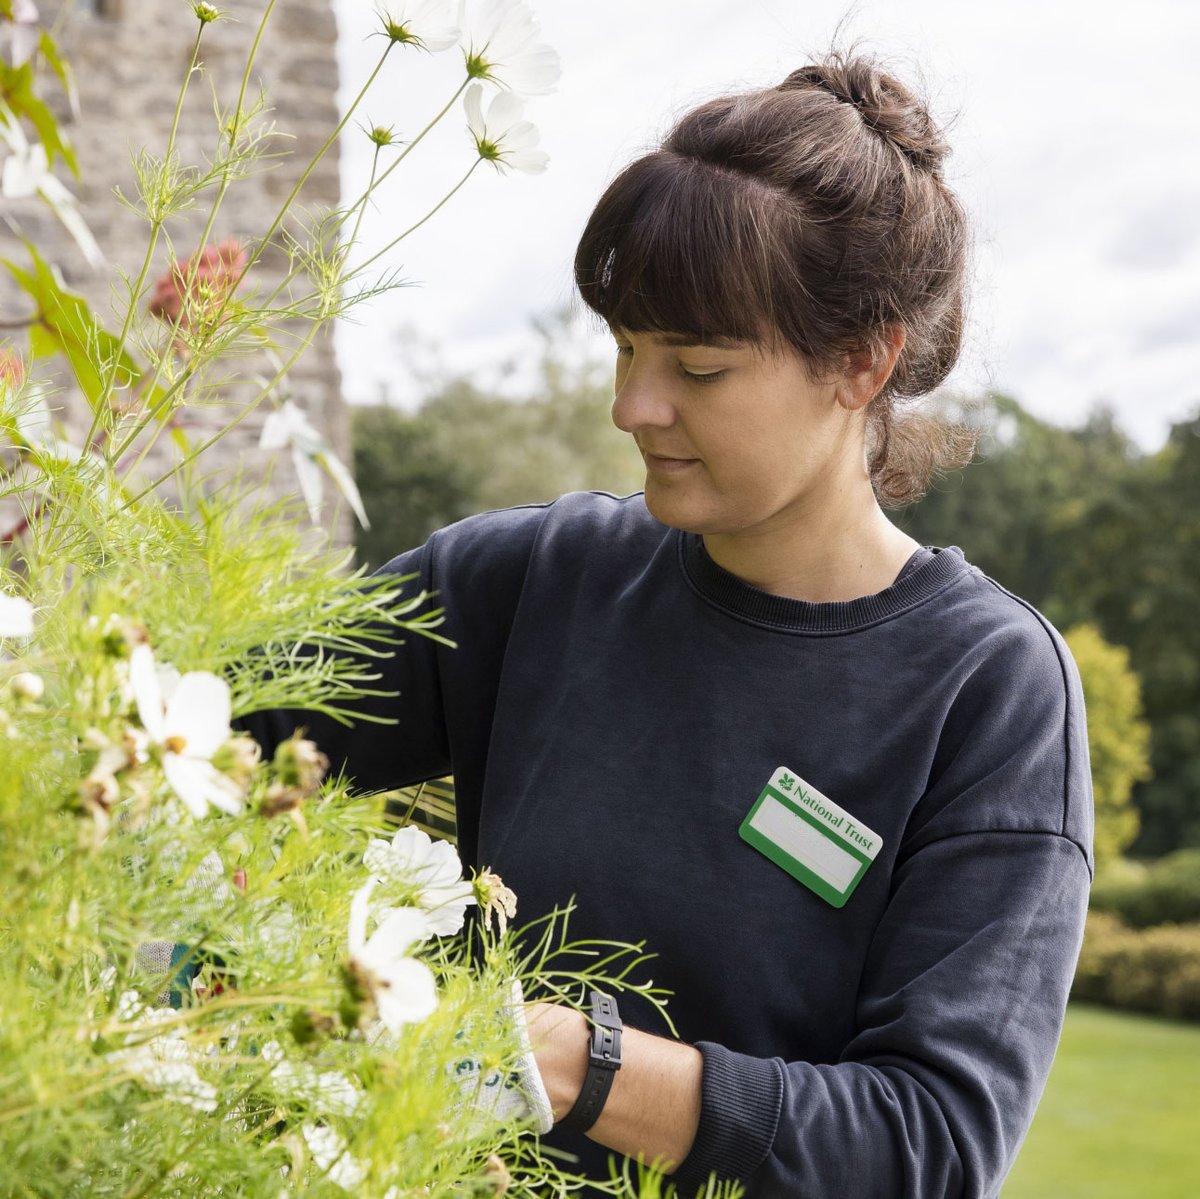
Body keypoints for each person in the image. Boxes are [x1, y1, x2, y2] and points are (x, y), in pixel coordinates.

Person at [245, 50, 1093, 1199]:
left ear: (862, 359)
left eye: (697, 365)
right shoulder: (529, 577)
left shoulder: (988, 687)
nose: (632, 405)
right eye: (628, 345)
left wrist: (577, 1064)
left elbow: (929, 1144)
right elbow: (194, 736)